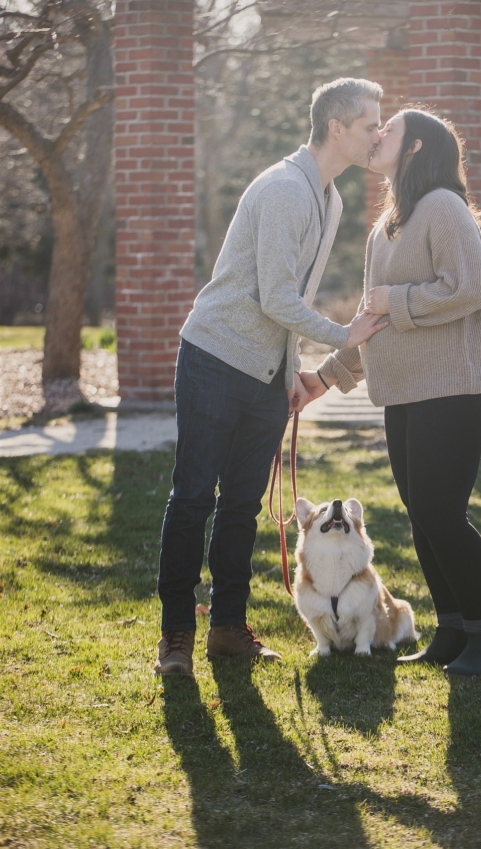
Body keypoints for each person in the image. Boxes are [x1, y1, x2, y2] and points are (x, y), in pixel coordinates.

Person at [154, 78, 388, 676]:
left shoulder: (329, 198)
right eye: (369, 124)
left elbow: (290, 299)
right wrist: (346, 335)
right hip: (214, 358)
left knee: (242, 506)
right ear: (337, 128)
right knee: (192, 499)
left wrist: (288, 372)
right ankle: (176, 637)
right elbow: (279, 297)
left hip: (264, 373)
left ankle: (229, 628)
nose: (378, 134)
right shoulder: (285, 188)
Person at [301, 108, 481, 677]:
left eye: (386, 128)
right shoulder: (386, 225)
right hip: (407, 393)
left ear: (414, 147)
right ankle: (453, 629)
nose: (375, 135)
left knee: (442, 514)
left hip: (458, 387)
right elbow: (374, 323)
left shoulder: (443, 205)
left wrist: (401, 300)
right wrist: (323, 378)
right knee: (423, 516)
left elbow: (473, 287)